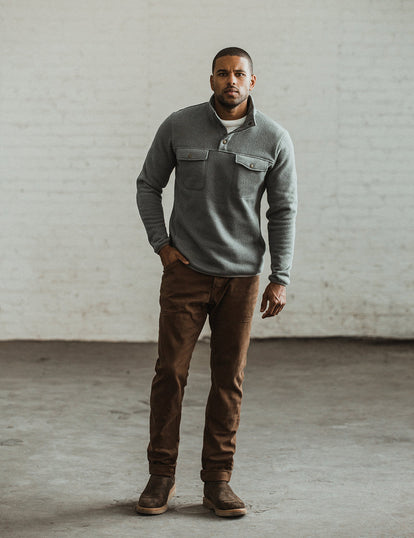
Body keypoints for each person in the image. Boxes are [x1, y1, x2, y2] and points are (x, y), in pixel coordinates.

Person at [135, 46, 297, 517]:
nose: (231, 80)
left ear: (252, 81)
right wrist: (161, 245)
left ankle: (217, 482)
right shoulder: (178, 125)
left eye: (239, 74)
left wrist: (279, 277)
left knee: (229, 380)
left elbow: (283, 211)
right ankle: (160, 476)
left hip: (242, 279)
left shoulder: (273, 138)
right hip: (185, 273)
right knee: (171, 373)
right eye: (223, 73)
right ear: (211, 80)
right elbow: (148, 184)